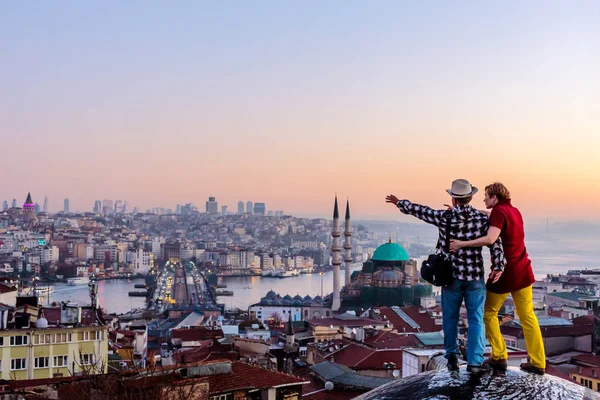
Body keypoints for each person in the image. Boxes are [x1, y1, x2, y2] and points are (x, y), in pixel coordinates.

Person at [386, 179, 506, 373]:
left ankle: (451, 357)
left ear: (453, 198)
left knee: (450, 318)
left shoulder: (445, 217)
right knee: (476, 319)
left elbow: (421, 211)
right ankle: (475, 362)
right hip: (474, 276)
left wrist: (400, 202)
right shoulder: (482, 219)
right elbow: (496, 244)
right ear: (471, 197)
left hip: (450, 277)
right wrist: (498, 266)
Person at [449, 182, 546, 375]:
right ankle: (538, 361)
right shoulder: (513, 211)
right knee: (527, 317)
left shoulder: (499, 212)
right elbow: (492, 218)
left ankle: (499, 355)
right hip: (523, 270)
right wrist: (467, 211)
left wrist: (461, 244)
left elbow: (490, 239)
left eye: (486, 195)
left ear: (495, 197)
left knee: (487, 313)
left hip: (505, 272)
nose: (484, 199)